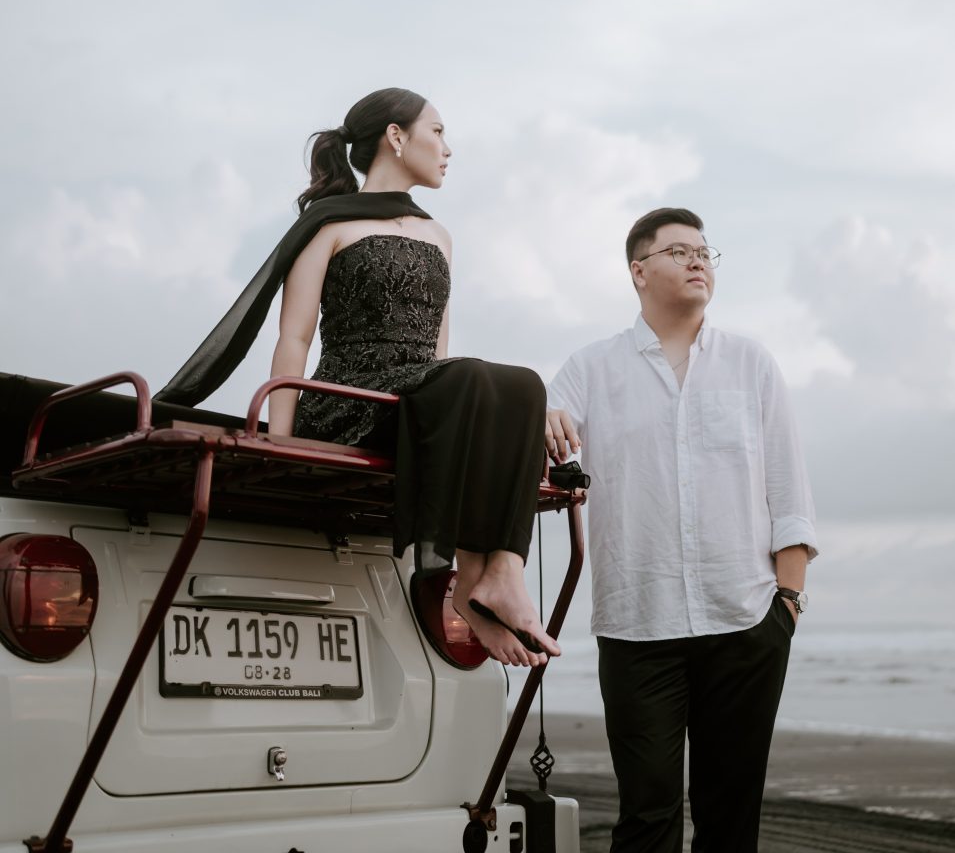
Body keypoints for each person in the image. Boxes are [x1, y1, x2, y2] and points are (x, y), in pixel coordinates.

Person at [155, 87, 557, 669]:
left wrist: (482, 409)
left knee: (525, 384)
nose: (448, 148)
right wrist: (282, 440)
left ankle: (495, 576)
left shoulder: (440, 236)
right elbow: (293, 338)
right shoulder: (328, 224)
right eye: (438, 131)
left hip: (419, 395)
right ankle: (470, 579)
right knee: (475, 378)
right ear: (396, 136)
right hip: (348, 399)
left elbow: (439, 354)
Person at [545, 207, 817, 852]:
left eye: (704, 251)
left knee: (730, 820)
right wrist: (541, 417)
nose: (698, 260)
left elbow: (789, 489)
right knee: (647, 817)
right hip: (637, 625)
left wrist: (787, 602)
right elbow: (551, 435)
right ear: (639, 271)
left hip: (746, 619)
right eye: (678, 251)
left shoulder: (751, 363)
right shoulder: (590, 368)